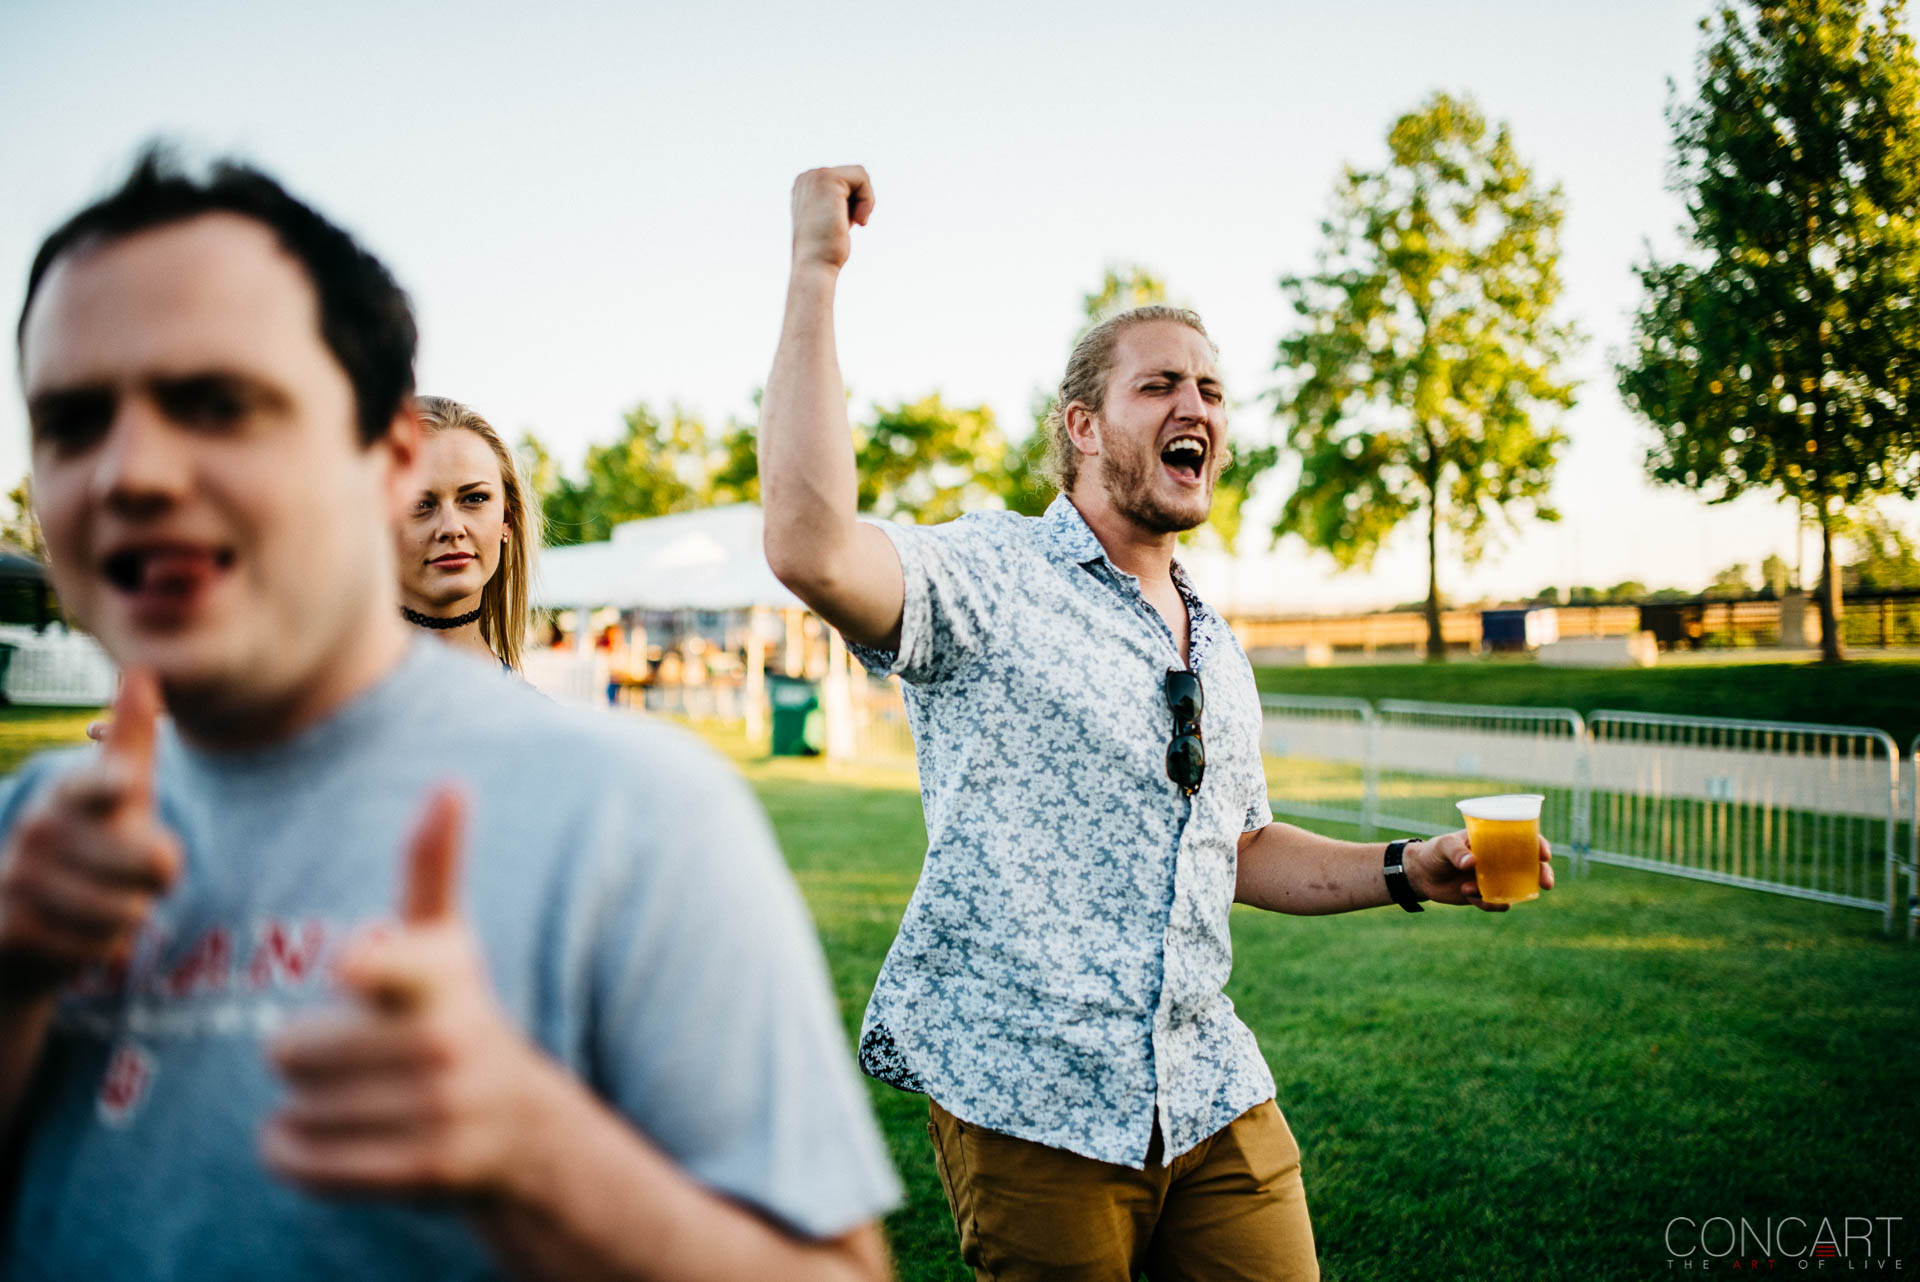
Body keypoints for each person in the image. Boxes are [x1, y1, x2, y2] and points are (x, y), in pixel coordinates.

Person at [1, 150, 899, 1282]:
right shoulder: (35, 833)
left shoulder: (637, 812)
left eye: (217, 404)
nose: (131, 472)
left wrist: (540, 1158)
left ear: (376, 458)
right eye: (72, 421)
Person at [760, 166, 1553, 1282]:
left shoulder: (1216, 645)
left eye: (1215, 391)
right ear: (1081, 426)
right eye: (1161, 385)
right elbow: (810, 545)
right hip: (1028, 1095)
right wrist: (815, 272)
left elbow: (1234, 848)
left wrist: (1410, 868)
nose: (1199, 408)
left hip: (1207, 1087)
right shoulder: (990, 575)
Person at [396, 396, 532, 670]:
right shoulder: (311, 702)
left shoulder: (536, 712)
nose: (451, 528)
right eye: (420, 504)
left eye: (475, 499)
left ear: (507, 519)